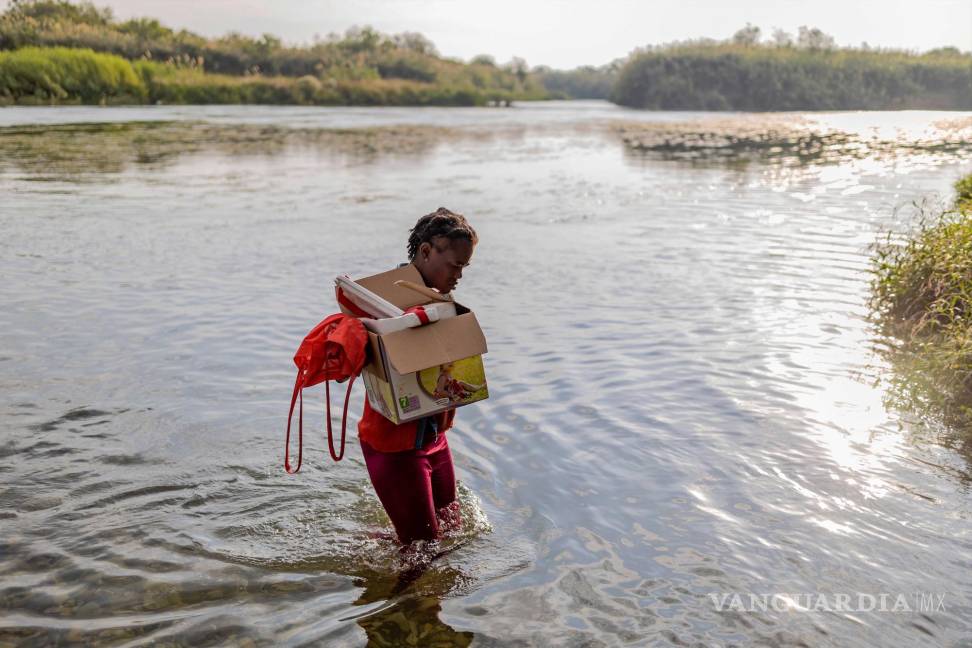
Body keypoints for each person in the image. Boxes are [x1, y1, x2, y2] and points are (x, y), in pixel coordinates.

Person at [357, 207, 478, 546]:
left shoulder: (438, 301)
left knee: (453, 531)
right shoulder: (381, 304)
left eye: (464, 267)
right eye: (455, 265)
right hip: (395, 448)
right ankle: (403, 595)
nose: (459, 275)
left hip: (433, 439)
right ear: (426, 252)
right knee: (421, 550)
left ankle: (381, 545)